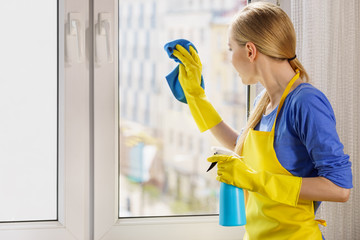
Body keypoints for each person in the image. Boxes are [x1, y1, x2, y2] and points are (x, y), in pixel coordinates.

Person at [171, 2, 353, 239]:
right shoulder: (264, 100)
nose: (229, 59)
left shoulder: (305, 102)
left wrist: (254, 179)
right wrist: (196, 98)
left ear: (250, 51)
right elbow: (242, 146)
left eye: (229, 49)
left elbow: (339, 189)